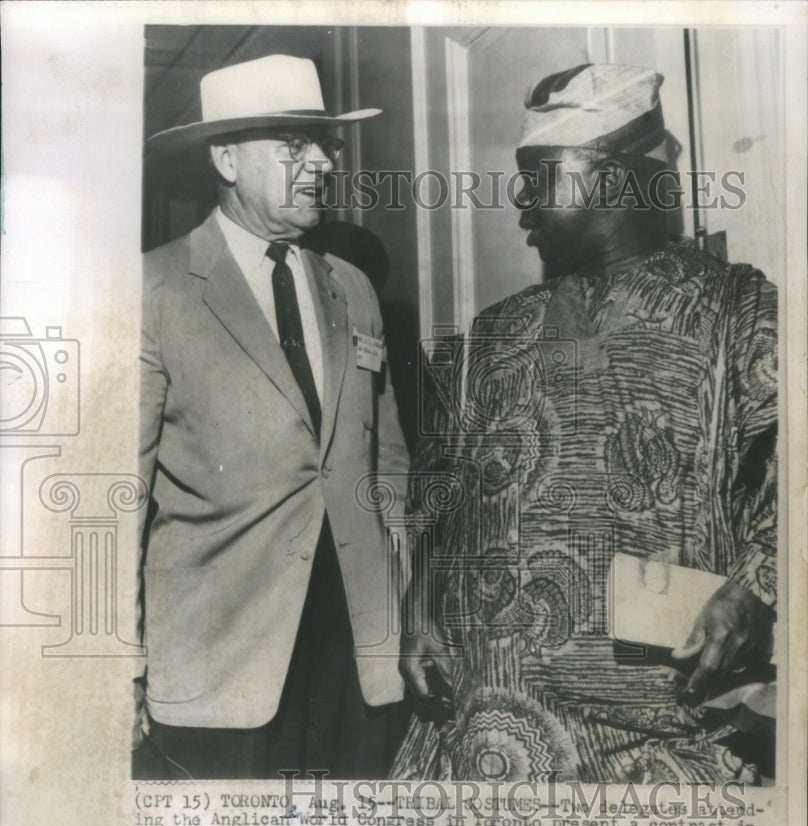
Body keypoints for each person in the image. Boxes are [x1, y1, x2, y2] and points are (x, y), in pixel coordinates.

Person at [394, 63, 777, 784]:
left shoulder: (741, 314)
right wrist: (419, 609)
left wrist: (752, 588)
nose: (521, 204)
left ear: (605, 180)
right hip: (486, 727)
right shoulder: (495, 332)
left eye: (539, 177)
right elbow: (441, 493)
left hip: (659, 734)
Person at [134, 54, 410, 780]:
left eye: (325, 146)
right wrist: (115, 662)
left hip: (354, 652)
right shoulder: (152, 289)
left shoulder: (351, 285)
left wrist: (407, 614)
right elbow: (115, 494)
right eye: (293, 146)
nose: (320, 163)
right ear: (226, 159)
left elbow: (387, 463)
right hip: (217, 663)